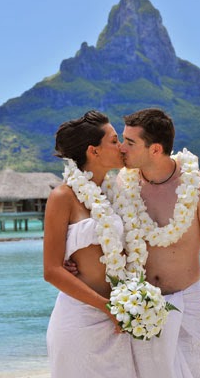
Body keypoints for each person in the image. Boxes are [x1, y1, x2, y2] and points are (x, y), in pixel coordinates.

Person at [66, 108, 200, 378]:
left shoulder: (199, 185)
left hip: (187, 302)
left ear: (155, 149)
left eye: (130, 143)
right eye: (121, 140)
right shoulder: (122, 183)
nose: (121, 148)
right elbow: (100, 234)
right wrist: (72, 262)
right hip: (140, 309)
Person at [43, 110, 137, 378]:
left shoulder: (114, 194)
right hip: (81, 321)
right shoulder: (63, 196)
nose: (121, 147)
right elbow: (51, 270)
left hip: (116, 319)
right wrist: (105, 306)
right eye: (114, 140)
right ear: (93, 151)